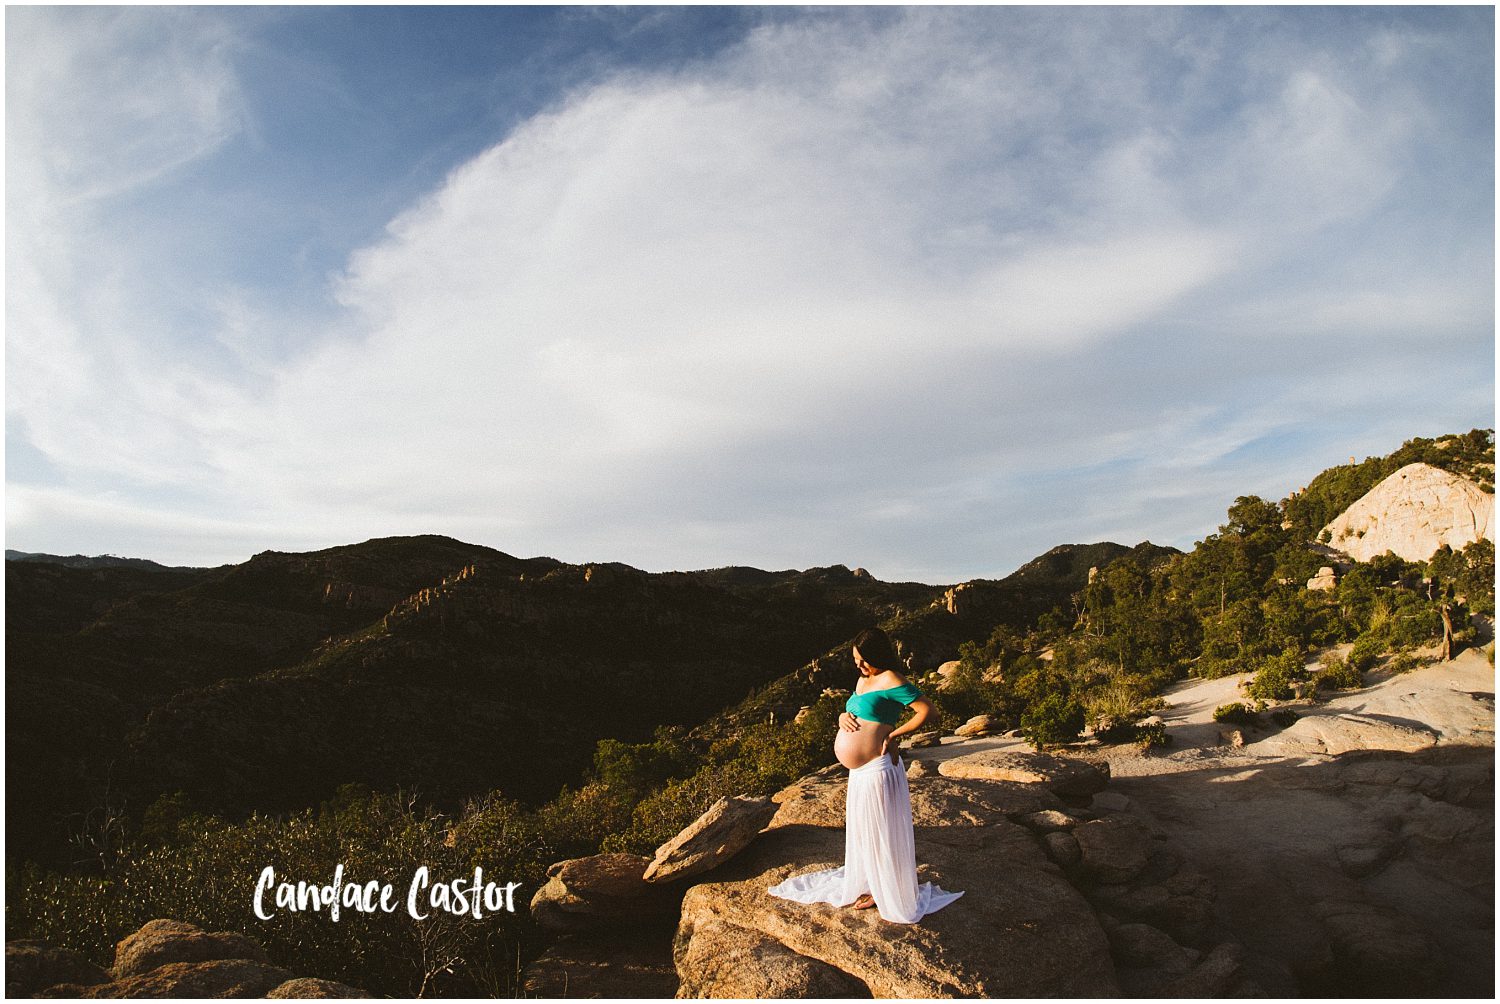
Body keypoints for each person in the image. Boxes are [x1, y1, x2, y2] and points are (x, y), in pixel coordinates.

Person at [766, 627, 964, 924]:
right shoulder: (864, 679)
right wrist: (841, 716)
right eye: (856, 660)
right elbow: (854, 708)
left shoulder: (892, 680)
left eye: (863, 660)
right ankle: (871, 882)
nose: (858, 666)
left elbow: (927, 711)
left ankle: (883, 891)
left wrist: (896, 735)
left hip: (878, 769)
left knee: (881, 831)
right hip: (859, 773)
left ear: (878, 656)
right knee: (864, 832)